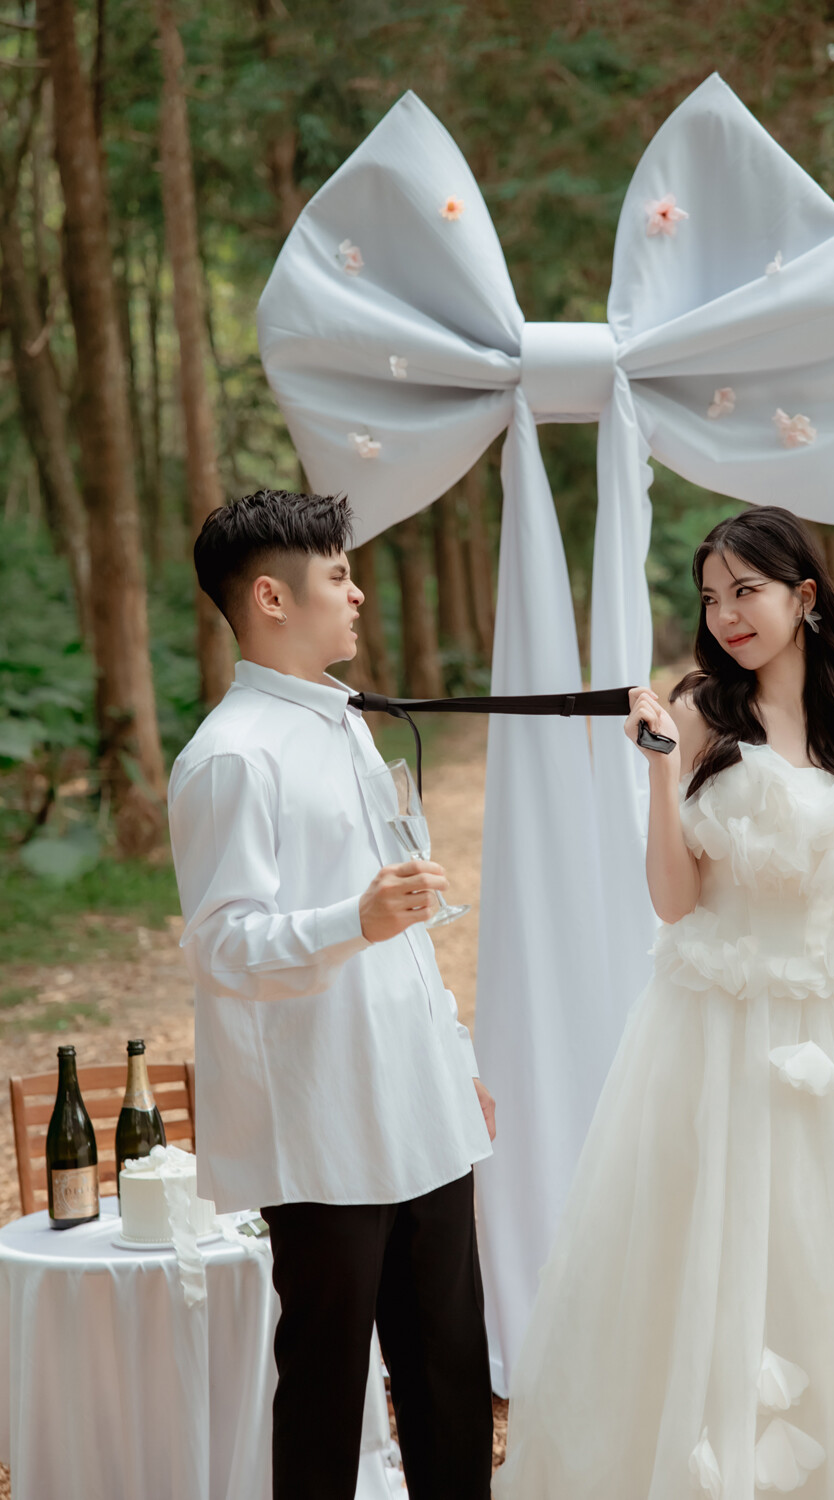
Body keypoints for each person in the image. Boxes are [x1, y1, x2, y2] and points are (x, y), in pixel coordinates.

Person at [494, 505, 834, 1500]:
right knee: (708, 1255)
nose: (726, 615)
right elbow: (674, 900)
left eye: (746, 591)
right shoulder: (696, 715)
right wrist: (656, 774)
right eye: (711, 597)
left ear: (804, 597)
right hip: (713, 1022)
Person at [167, 488, 496, 1500]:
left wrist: (455, 1061)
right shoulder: (230, 756)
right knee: (323, 1388)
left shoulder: (349, 726)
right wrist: (353, 919)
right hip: (323, 1122)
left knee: (450, 1370)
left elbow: (405, 924)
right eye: (340, 576)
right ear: (272, 597)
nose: (356, 595)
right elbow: (221, 947)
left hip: (422, 1104)